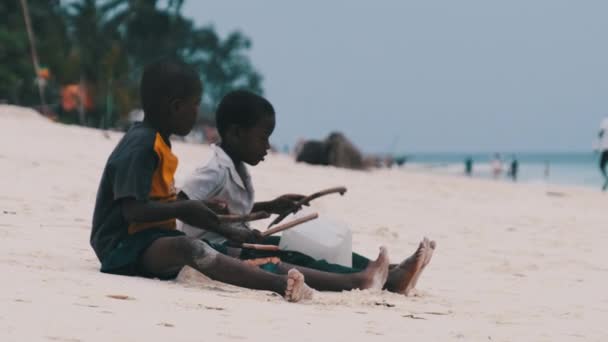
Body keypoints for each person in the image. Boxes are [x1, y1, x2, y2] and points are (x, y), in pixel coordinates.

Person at [90, 60, 314, 302]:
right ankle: (279, 284)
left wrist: (225, 226)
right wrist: (184, 207)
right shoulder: (142, 146)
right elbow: (132, 211)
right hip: (121, 247)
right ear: (176, 107)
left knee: (219, 249)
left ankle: (289, 277)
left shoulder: (158, 142)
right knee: (191, 248)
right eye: (194, 105)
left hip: (150, 239)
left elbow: (167, 205)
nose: (197, 112)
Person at [179, 90, 435, 295]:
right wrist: (226, 228)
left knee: (300, 249)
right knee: (287, 257)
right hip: (220, 248)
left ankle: (389, 273)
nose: (268, 146)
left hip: (239, 240)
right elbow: (182, 205)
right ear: (236, 133)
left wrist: (272, 205)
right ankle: (360, 280)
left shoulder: (235, 167)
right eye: (263, 137)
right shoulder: (213, 170)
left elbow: (231, 211)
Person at [597, 117, 608, 190]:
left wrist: (597, 146)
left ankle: (607, 179)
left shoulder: (605, 121)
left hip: (606, 148)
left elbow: (600, 134)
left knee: (601, 166)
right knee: (601, 166)